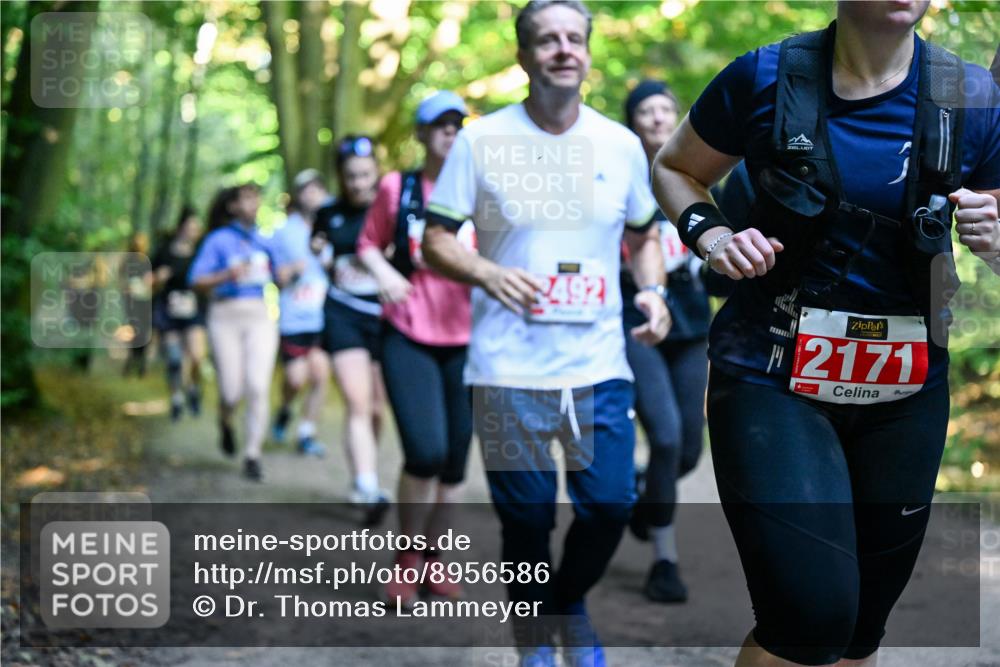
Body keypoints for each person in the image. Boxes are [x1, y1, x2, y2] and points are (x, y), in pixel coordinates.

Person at [651, 1, 1000, 665]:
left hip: (905, 386)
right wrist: (714, 235)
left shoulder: (972, 94)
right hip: (772, 374)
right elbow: (675, 168)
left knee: (860, 627)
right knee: (809, 615)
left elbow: (995, 229)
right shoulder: (763, 77)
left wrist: (994, 241)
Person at [423, 2, 670, 665]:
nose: (563, 49)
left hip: (597, 365)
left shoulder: (619, 144)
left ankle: (567, 602)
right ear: (523, 56)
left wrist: (651, 290)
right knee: (527, 520)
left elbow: (644, 236)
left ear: (588, 53)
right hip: (507, 369)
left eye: (574, 39)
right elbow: (436, 239)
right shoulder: (481, 141)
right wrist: (484, 271)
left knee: (611, 507)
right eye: (546, 40)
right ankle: (534, 636)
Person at [357, 91, 478, 608]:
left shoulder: (485, 191)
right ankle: (406, 558)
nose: (450, 133)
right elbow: (366, 243)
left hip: (471, 338)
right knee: (425, 452)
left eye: (457, 125)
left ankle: (434, 558)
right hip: (408, 331)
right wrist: (385, 274)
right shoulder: (397, 187)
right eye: (440, 125)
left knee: (453, 462)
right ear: (422, 134)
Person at [619, 80, 710, 603]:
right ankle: (664, 560)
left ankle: (644, 499)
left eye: (664, 109)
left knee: (690, 449)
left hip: (692, 320)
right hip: (635, 318)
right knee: (667, 437)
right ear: (633, 122)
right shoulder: (620, 171)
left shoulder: (706, 168)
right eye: (645, 111)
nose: (656, 118)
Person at [312, 136, 391, 524]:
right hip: (342, 315)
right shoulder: (328, 213)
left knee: (377, 408)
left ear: (376, 171)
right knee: (357, 403)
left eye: (364, 175)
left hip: (385, 318)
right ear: (341, 178)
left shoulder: (392, 208)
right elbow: (323, 255)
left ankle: (367, 471)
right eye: (350, 177)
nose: (358, 183)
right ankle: (367, 483)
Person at [189, 182, 282, 481]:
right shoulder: (217, 240)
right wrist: (226, 275)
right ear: (232, 206)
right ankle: (226, 419)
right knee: (231, 390)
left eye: (257, 197)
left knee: (258, 386)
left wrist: (285, 273)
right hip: (224, 315)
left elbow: (279, 277)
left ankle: (252, 454)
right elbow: (197, 281)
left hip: (259, 314)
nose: (253, 203)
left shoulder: (264, 240)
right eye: (246, 198)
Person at [270, 169, 332, 456]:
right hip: (295, 318)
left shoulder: (334, 225)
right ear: (298, 195)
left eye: (317, 189)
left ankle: (306, 432)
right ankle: (284, 409)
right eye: (306, 189)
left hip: (325, 317)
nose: (313, 195)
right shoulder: (284, 232)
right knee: (296, 379)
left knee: (320, 375)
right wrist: (293, 270)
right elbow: (277, 276)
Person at [151, 206, 207, 421]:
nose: (194, 231)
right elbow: (148, 280)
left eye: (197, 228)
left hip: (194, 310)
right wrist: (158, 278)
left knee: (196, 356)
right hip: (169, 310)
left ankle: (193, 387)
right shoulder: (164, 251)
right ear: (181, 228)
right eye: (190, 227)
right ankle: (176, 398)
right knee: (175, 359)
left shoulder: (202, 251)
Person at [121, 231, 154, 377]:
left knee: (145, 331)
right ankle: (131, 360)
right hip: (132, 300)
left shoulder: (148, 260)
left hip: (146, 300)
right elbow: (121, 279)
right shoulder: (127, 261)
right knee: (134, 330)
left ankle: (141, 363)